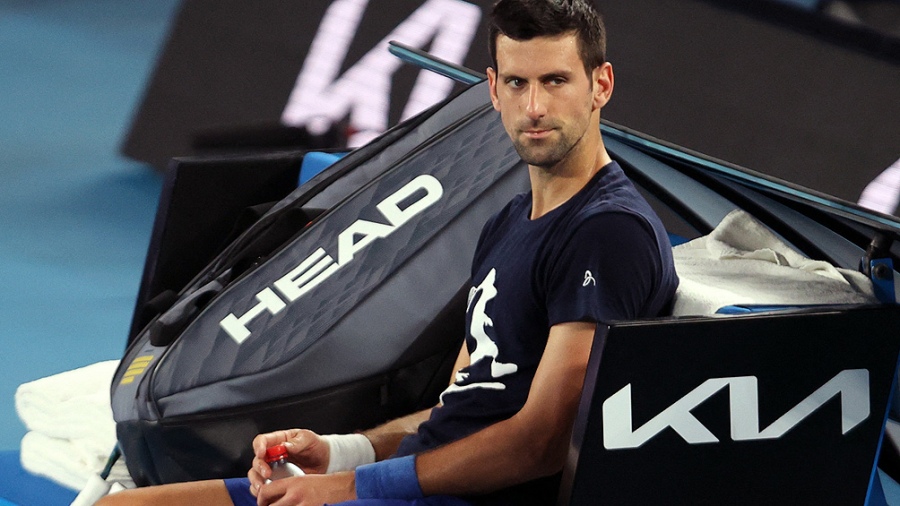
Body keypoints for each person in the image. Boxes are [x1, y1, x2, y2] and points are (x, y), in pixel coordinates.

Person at [97, 0, 678, 504]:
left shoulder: (607, 233)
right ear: (492, 90)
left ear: (600, 85)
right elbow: (459, 405)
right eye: (517, 84)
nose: (534, 108)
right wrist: (340, 453)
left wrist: (350, 488)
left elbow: (541, 444)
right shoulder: (509, 220)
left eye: (555, 81)